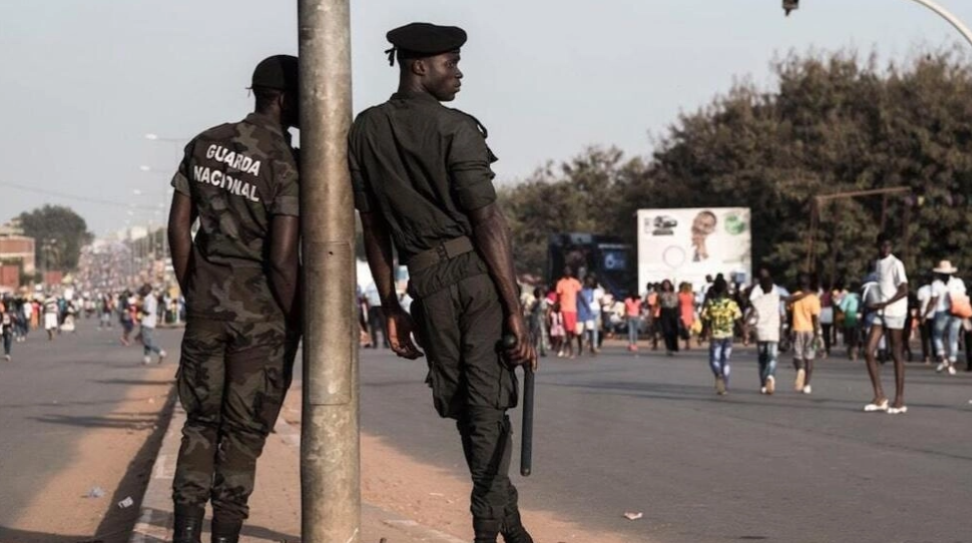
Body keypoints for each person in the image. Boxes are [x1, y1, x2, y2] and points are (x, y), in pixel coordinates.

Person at [348, 24, 536, 543]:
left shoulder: (365, 130)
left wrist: (391, 305)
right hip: (474, 277)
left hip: (424, 283)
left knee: (471, 408)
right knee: (486, 405)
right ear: (418, 66)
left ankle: (512, 528)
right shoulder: (457, 128)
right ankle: (485, 522)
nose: (458, 72)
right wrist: (514, 308)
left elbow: (374, 229)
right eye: (450, 63)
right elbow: (488, 222)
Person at [167, 55, 302, 543]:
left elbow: (179, 226)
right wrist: (297, 318)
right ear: (285, 99)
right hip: (262, 316)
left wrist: (195, 288)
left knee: (201, 422)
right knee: (243, 432)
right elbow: (283, 259)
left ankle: (184, 532)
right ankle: (224, 534)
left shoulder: (204, 143)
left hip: (206, 306)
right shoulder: (288, 163)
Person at [863, 233, 909, 414]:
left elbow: (904, 289)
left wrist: (885, 303)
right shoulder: (877, 263)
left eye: (889, 246)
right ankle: (879, 396)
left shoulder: (896, 263)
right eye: (883, 246)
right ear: (878, 246)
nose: (886, 249)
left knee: (896, 353)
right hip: (880, 312)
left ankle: (899, 400)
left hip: (895, 312)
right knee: (868, 351)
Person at [700, 277, 741, 395]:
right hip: (728, 335)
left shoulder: (710, 304)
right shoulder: (731, 304)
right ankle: (725, 385)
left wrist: (702, 335)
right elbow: (738, 320)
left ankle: (718, 375)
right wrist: (744, 333)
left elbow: (706, 322)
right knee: (726, 360)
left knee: (714, 360)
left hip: (716, 336)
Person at [926, 260, 966, 375]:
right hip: (956, 312)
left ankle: (943, 358)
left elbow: (933, 301)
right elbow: (962, 297)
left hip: (941, 311)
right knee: (953, 338)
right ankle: (952, 362)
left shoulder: (936, 284)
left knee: (937, 336)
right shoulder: (958, 282)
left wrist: (925, 314)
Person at [749, 273, 781, 394]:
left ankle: (763, 384)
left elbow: (751, 315)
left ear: (760, 288)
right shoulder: (776, 298)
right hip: (773, 332)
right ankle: (770, 376)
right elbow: (788, 302)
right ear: (772, 287)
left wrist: (746, 329)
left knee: (762, 359)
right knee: (772, 357)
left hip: (760, 332)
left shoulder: (756, 301)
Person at [790, 274, 821, 394]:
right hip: (810, 331)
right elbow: (815, 318)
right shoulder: (814, 298)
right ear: (809, 284)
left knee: (797, 356)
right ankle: (807, 384)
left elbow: (789, 314)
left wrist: (788, 330)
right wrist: (817, 334)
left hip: (797, 329)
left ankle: (800, 369)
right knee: (810, 357)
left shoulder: (794, 297)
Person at [556, 267, 583, 359]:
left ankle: (565, 346)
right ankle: (571, 351)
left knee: (573, 332)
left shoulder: (575, 282)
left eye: (569, 270)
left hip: (573, 310)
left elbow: (580, 294)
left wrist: (586, 306)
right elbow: (558, 297)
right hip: (565, 309)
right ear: (564, 272)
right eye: (566, 270)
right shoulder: (560, 283)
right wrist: (555, 308)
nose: (568, 272)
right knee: (568, 330)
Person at [138, 284, 167, 365]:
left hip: (148, 322)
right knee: (146, 340)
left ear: (147, 290)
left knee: (147, 341)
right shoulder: (148, 299)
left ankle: (161, 352)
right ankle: (146, 358)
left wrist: (140, 308)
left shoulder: (150, 300)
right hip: (147, 322)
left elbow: (148, 312)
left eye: (143, 290)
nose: (142, 292)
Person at [915, 276, 937, 364]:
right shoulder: (935, 289)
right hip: (935, 315)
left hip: (924, 315)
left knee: (925, 338)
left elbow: (919, 305)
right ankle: (936, 354)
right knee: (934, 337)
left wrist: (921, 316)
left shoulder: (921, 290)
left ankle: (926, 356)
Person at [839, 281, 862, 361]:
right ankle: (855, 352)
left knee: (849, 336)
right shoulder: (860, 297)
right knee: (856, 336)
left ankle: (851, 352)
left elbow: (842, 308)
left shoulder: (848, 296)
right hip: (859, 317)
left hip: (849, 317)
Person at [657, 279, 680, 355]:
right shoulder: (660, 294)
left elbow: (678, 303)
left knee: (673, 331)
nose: (666, 286)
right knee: (666, 330)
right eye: (664, 285)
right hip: (665, 311)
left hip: (673, 311)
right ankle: (668, 348)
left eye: (667, 284)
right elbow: (658, 303)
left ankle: (674, 347)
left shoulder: (675, 294)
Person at [677, 282, 695, 351]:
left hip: (683, 311)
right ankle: (688, 343)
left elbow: (678, 304)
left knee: (684, 328)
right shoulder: (691, 295)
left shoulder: (680, 295)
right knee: (688, 328)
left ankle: (686, 343)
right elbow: (694, 303)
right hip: (689, 311)